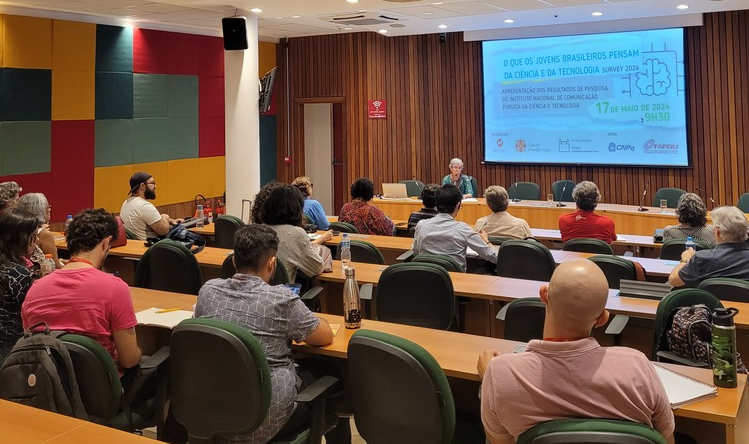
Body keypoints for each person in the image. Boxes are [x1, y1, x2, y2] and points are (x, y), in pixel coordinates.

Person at [478, 260, 675, 444]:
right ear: (602, 319)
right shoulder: (638, 365)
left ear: (544, 294)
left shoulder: (500, 373)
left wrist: (489, 378)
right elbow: (667, 439)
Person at [195, 224, 338, 444]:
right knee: (332, 373)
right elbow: (324, 336)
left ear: (234, 261)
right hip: (267, 419)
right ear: (272, 263)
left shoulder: (208, 291)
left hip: (218, 411)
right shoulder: (281, 299)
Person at [22, 209, 142, 373]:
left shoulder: (35, 288)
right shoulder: (116, 288)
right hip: (101, 388)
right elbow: (128, 360)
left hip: (48, 386)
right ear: (106, 243)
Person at [413, 184, 496, 272]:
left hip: (426, 278)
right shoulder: (463, 229)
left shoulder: (421, 225)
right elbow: (493, 256)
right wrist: (487, 241)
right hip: (455, 282)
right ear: (458, 205)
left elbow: (416, 252)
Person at [259, 184, 333, 282]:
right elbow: (317, 268)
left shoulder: (258, 230)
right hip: (284, 294)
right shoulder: (296, 233)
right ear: (297, 208)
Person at [669, 205, 749, 287]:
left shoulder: (702, 259)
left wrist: (685, 260)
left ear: (718, 232)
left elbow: (674, 280)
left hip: (710, 300)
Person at [0, 208, 39, 359]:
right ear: (21, 238)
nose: (36, 242)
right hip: (12, 350)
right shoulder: (17, 273)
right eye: (33, 236)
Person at [120, 172, 183, 240]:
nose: (155, 186)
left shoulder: (126, 203)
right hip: (149, 247)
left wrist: (170, 220)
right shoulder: (144, 206)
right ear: (142, 186)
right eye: (152, 183)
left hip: (136, 245)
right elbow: (164, 230)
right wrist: (164, 216)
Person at [16, 193, 64, 270]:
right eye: (48, 207)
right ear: (41, 210)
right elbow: (55, 266)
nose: (50, 209)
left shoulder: (16, 229)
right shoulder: (44, 234)